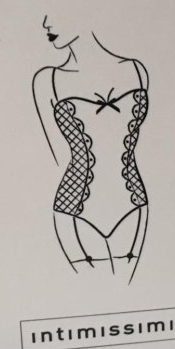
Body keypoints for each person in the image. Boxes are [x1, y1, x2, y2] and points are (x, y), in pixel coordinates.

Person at [32, 15, 149, 280]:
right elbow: (56, 160)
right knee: (85, 290)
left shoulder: (137, 70)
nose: (46, 23)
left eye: (54, 13)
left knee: (132, 290)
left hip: (134, 203)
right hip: (73, 207)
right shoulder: (47, 80)